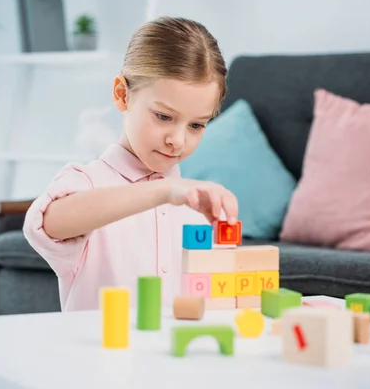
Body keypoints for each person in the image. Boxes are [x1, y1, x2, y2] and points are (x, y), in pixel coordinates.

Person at [23, 16, 239, 312]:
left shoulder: (198, 207)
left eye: (197, 125)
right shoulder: (85, 183)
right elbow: (50, 223)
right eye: (164, 116)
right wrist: (164, 190)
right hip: (98, 356)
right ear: (122, 94)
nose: (177, 140)